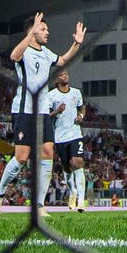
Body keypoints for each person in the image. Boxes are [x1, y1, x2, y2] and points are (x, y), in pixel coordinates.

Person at [0, 11, 85, 217]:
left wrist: (76, 44)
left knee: (48, 152)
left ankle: (39, 205)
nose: (47, 32)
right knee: (21, 157)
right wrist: (30, 34)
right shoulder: (24, 50)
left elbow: (62, 60)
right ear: (32, 31)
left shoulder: (46, 53)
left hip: (42, 111)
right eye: (43, 29)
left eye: (46, 29)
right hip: (24, 110)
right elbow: (13, 56)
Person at [46, 69, 88, 211]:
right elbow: (46, 116)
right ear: (56, 79)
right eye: (61, 75)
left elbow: (82, 108)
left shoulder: (76, 93)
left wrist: (81, 116)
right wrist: (56, 111)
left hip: (75, 134)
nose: (64, 76)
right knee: (67, 168)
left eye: (66, 74)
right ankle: (73, 191)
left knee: (78, 163)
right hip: (60, 137)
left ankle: (81, 201)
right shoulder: (51, 95)